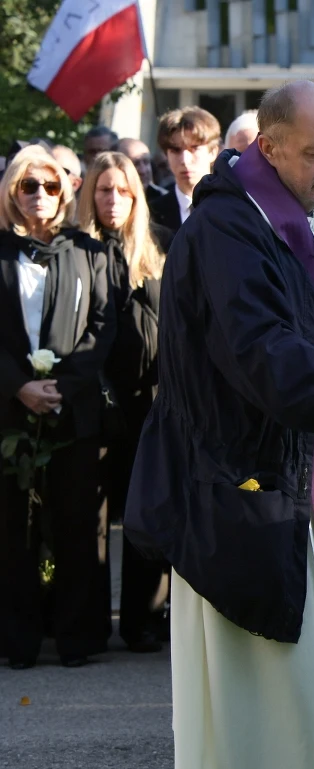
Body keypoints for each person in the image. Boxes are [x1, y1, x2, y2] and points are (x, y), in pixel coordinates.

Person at [123, 80, 314, 769]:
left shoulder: (302, 216)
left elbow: (312, 330)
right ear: (268, 146)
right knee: (267, 696)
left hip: (311, 460)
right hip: (246, 483)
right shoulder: (229, 228)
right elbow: (259, 350)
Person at [0, 146, 115, 669]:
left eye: (49, 186)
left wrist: (63, 386)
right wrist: (19, 386)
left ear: (65, 191)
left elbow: (103, 328)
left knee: (75, 525)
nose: (39, 196)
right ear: (11, 192)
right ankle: (17, 641)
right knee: (12, 528)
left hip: (75, 410)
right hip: (9, 410)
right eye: (28, 186)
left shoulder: (88, 251)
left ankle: (77, 637)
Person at [76, 151, 170, 654]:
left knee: (144, 514)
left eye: (123, 190)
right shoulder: (76, 249)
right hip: (89, 401)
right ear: (89, 192)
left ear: (138, 196)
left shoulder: (161, 248)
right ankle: (90, 626)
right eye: (104, 189)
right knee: (92, 520)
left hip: (149, 403)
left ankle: (143, 620)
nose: (113, 200)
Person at [149, 107, 221, 239]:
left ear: (212, 152)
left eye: (194, 148)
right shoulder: (151, 213)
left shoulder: (233, 206)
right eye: (176, 150)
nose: (184, 160)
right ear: (166, 155)